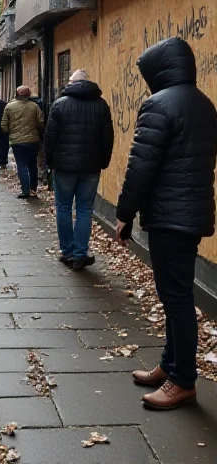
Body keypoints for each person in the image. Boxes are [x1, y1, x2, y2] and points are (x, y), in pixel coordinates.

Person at [115, 38, 217, 411]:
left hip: (169, 217)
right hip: (191, 215)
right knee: (177, 296)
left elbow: (141, 166)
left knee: (176, 300)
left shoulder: (159, 105)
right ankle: (170, 365)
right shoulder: (204, 104)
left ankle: (182, 381)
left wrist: (124, 212)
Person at [44, 69, 114, 270]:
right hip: (91, 166)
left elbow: (50, 137)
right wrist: (104, 161)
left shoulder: (59, 105)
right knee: (84, 209)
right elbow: (108, 137)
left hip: (64, 166)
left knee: (64, 208)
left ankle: (67, 251)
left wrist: (50, 162)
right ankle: (80, 253)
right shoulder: (101, 106)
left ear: (72, 83)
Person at [1, 85, 44, 199]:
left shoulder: (9, 107)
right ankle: (33, 189)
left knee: (21, 165)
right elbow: (41, 122)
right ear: (28, 95)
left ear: (17, 94)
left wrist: (10, 132)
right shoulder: (34, 106)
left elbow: (4, 125)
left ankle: (25, 190)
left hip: (17, 141)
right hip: (32, 140)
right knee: (32, 165)